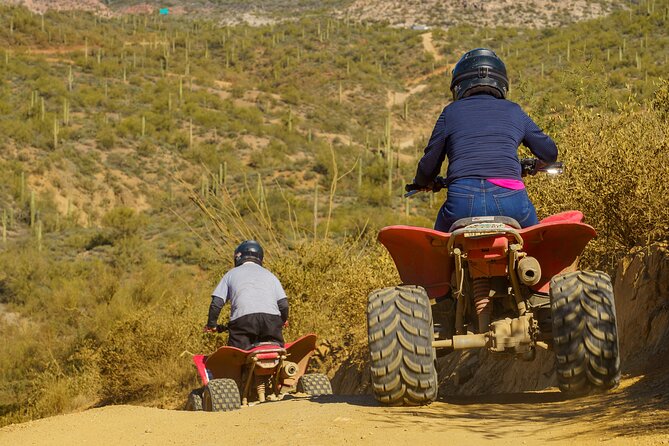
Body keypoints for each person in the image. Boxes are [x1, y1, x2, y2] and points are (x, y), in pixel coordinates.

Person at [407, 48, 558, 232]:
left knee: (439, 246)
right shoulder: (514, 111)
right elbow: (550, 153)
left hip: (462, 202)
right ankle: (533, 259)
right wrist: (534, 164)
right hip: (512, 200)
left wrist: (423, 182)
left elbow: (429, 164)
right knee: (535, 240)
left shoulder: (450, 113)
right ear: (501, 82)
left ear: (459, 84)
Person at [204, 240, 289, 350]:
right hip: (271, 321)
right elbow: (284, 304)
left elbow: (216, 303)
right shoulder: (270, 275)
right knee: (278, 352)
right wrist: (283, 320)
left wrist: (212, 324)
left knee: (237, 357)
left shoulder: (230, 274)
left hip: (243, 322)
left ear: (238, 256)